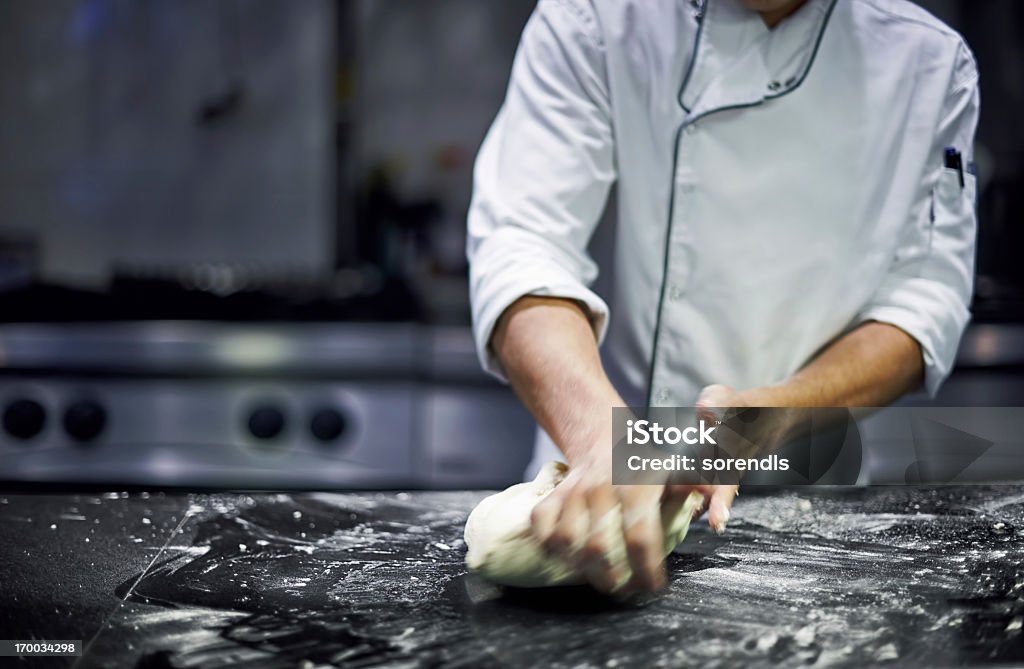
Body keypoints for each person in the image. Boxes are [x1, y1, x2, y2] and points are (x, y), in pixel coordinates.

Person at [466, 0, 979, 595]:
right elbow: (523, 245)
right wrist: (609, 441)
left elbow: (923, 301)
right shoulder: (595, 19)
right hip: (590, 479)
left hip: (807, 505)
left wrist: (782, 409)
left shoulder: (929, 62)